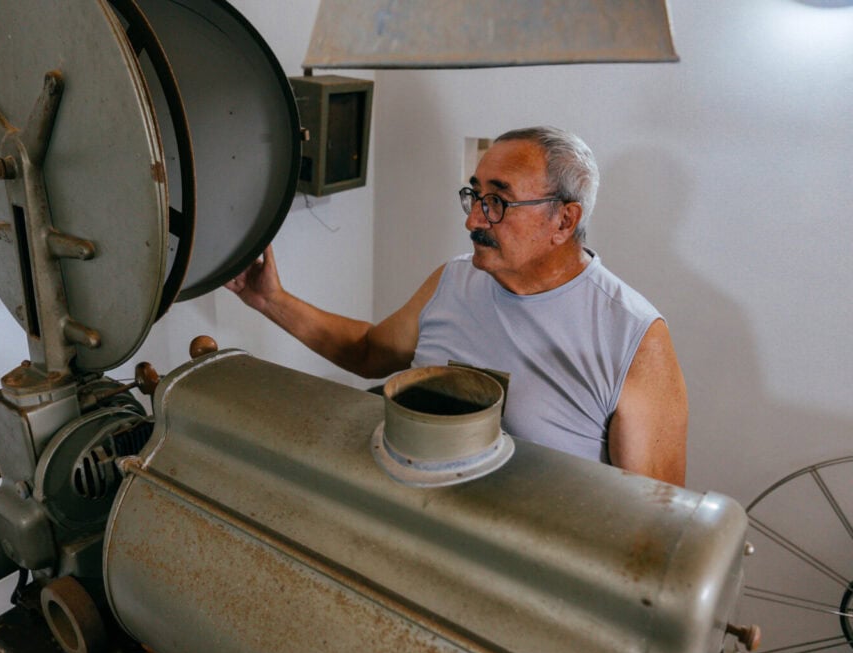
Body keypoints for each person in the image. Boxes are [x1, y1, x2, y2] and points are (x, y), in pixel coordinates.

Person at [227, 126, 687, 486]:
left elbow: (651, 520)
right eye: (474, 195)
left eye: (498, 201)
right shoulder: (454, 281)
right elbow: (369, 352)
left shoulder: (633, 335)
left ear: (564, 219)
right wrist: (270, 299)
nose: (472, 219)